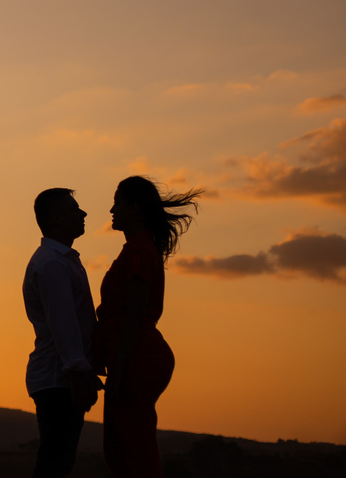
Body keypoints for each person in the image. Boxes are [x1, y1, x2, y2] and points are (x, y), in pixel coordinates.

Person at [94, 176, 201, 478]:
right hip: (132, 358)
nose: (112, 209)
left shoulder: (140, 252)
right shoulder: (136, 250)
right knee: (120, 449)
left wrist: (117, 371)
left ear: (136, 208)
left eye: (118, 202)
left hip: (136, 359)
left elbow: (135, 317)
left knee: (132, 449)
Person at [23, 188, 103, 477]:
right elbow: (63, 324)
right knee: (55, 465)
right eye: (74, 209)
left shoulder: (61, 260)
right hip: (59, 380)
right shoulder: (53, 264)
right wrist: (78, 373)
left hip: (61, 378)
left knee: (58, 462)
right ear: (56, 218)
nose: (82, 214)